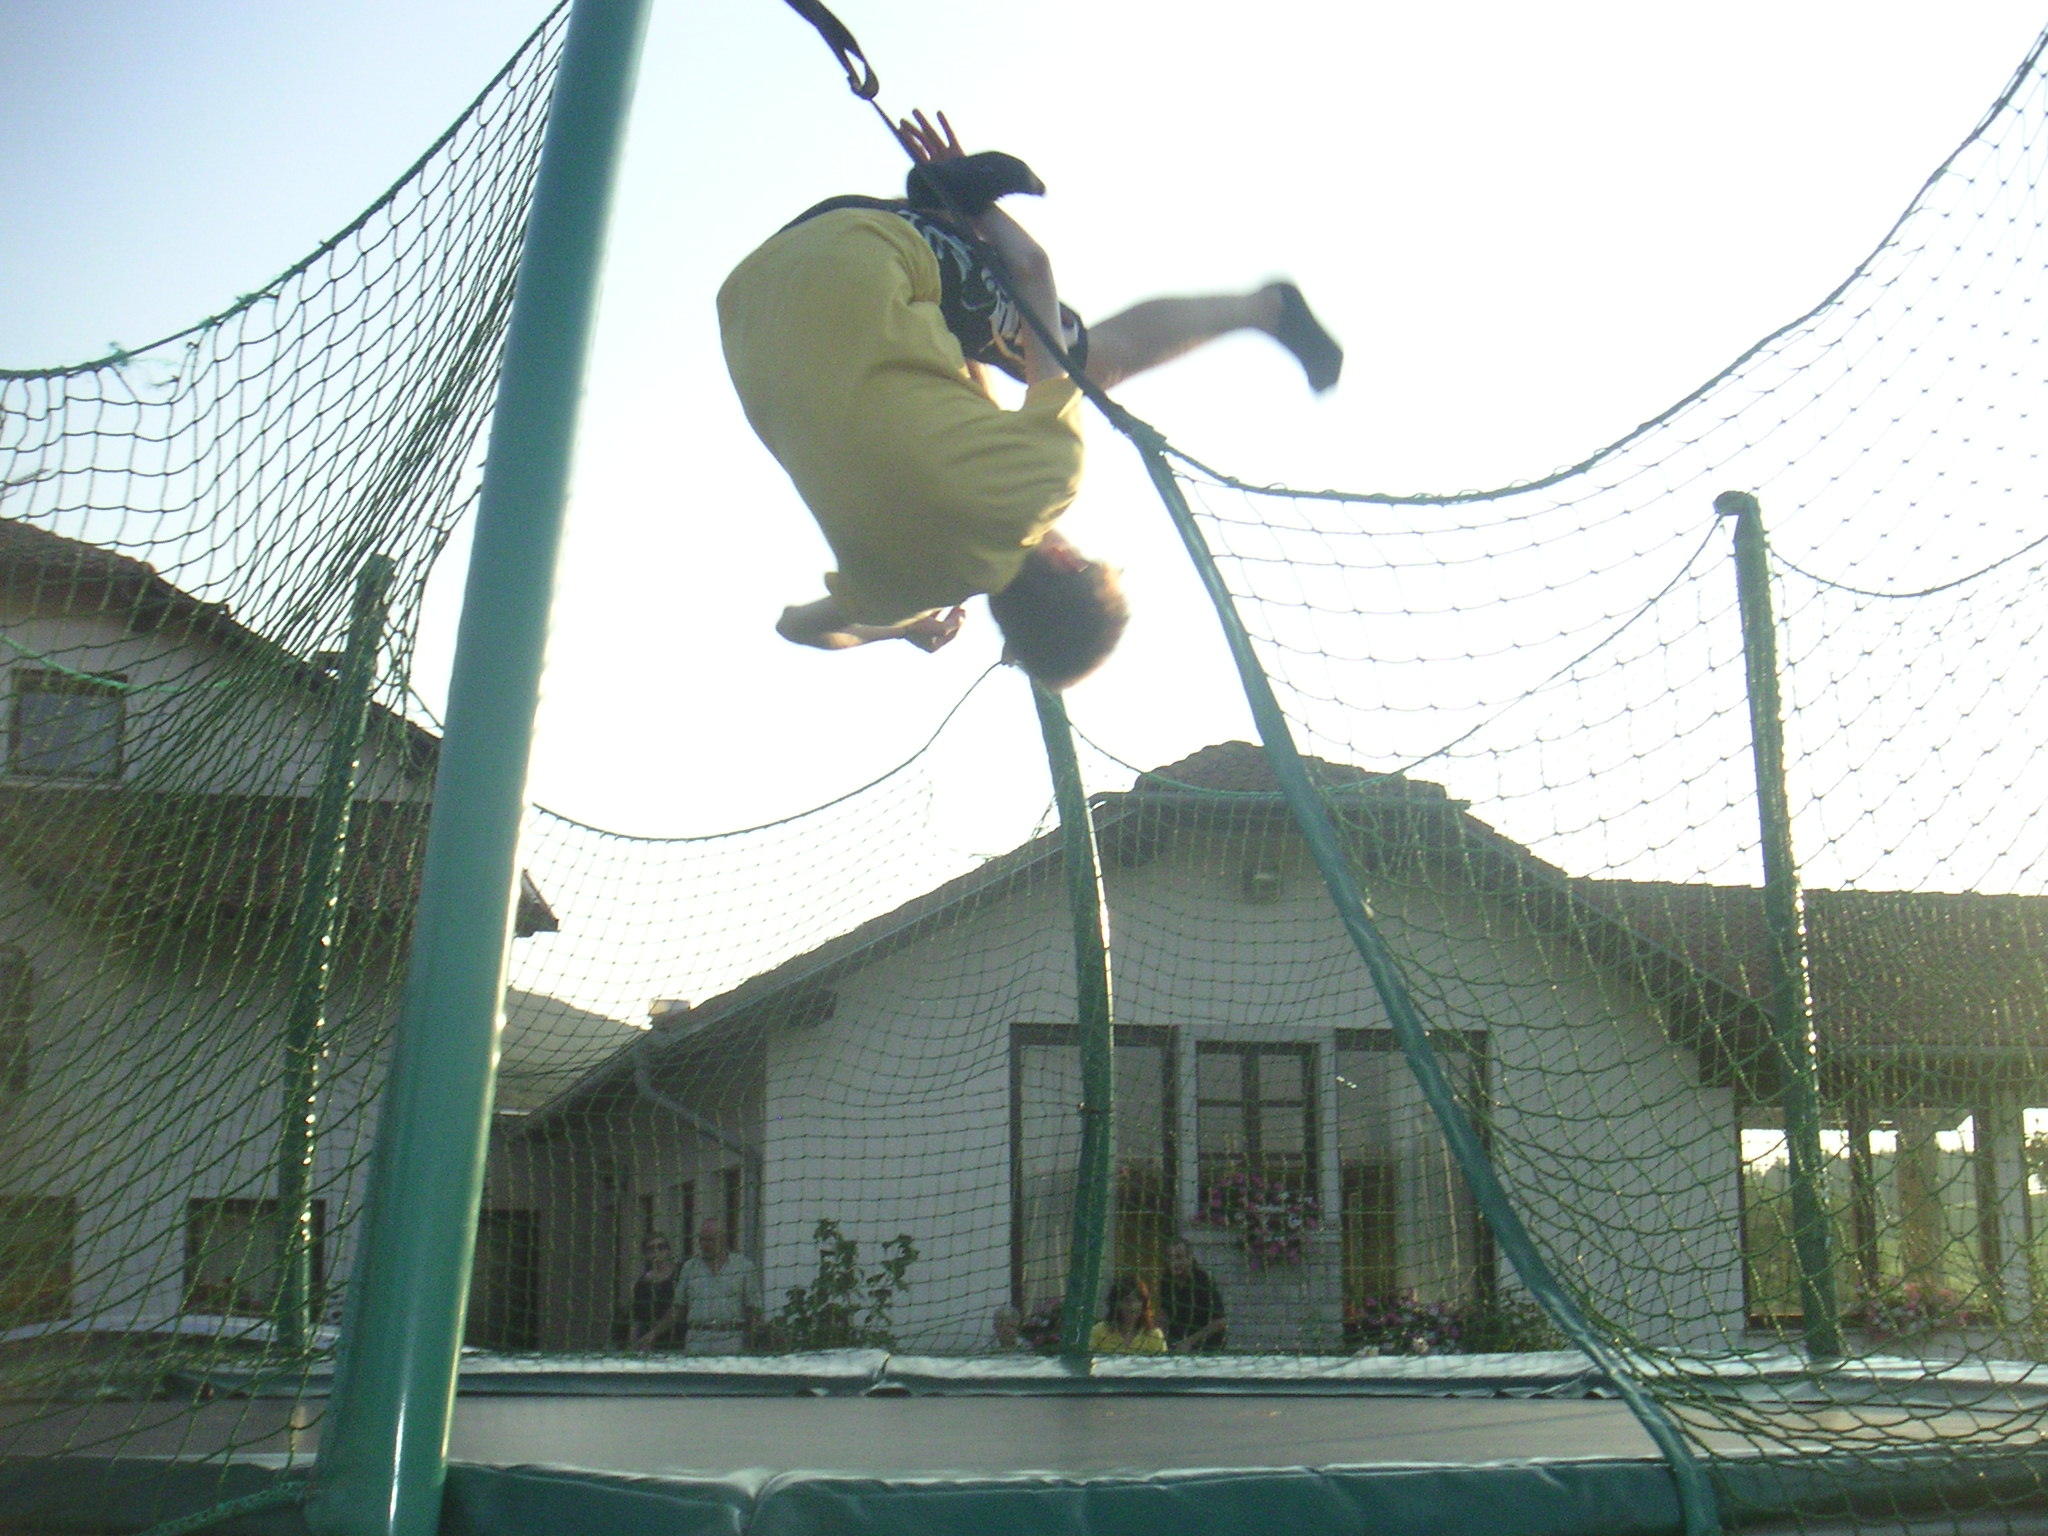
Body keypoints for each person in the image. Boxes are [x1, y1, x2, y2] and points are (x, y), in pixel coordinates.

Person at [718, 110, 1342, 691]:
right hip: (747, 303)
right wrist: (902, 628)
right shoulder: (891, 591)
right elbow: (796, 627)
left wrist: (976, 208)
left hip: (861, 245)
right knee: (955, 358)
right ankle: (948, 223)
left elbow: (1034, 271)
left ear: (1070, 563)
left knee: (1085, 359)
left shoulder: (1045, 482)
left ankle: (1268, 309)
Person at [676, 1217, 759, 1356]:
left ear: (723, 1239)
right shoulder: (689, 1268)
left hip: (731, 1339)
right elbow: (678, 1306)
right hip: (697, 1339)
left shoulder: (744, 1267)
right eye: (702, 1240)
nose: (705, 1245)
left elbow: (753, 1308)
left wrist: (752, 1342)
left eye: (710, 1240)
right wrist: (653, 1334)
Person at [1157, 1237, 1227, 1353]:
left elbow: (1220, 1322)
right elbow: (1164, 1315)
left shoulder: (1203, 1281)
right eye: (1170, 1258)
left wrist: (1189, 1342)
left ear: (1189, 1258)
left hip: (1207, 1348)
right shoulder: (1166, 1280)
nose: (1174, 1263)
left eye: (1179, 1257)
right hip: (1177, 1346)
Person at [627, 1233, 683, 1351]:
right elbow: (637, 1320)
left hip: (678, 1340)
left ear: (668, 1250)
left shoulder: (681, 1275)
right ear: (646, 1254)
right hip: (651, 1345)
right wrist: (634, 1345)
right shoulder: (642, 1284)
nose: (656, 1252)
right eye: (651, 1249)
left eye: (661, 1247)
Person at [1089, 1275, 1168, 1355]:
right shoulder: (1099, 1331)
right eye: (1126, 1300)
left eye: (1137, 1300)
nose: (1132, 1306)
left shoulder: (1154, 1335)